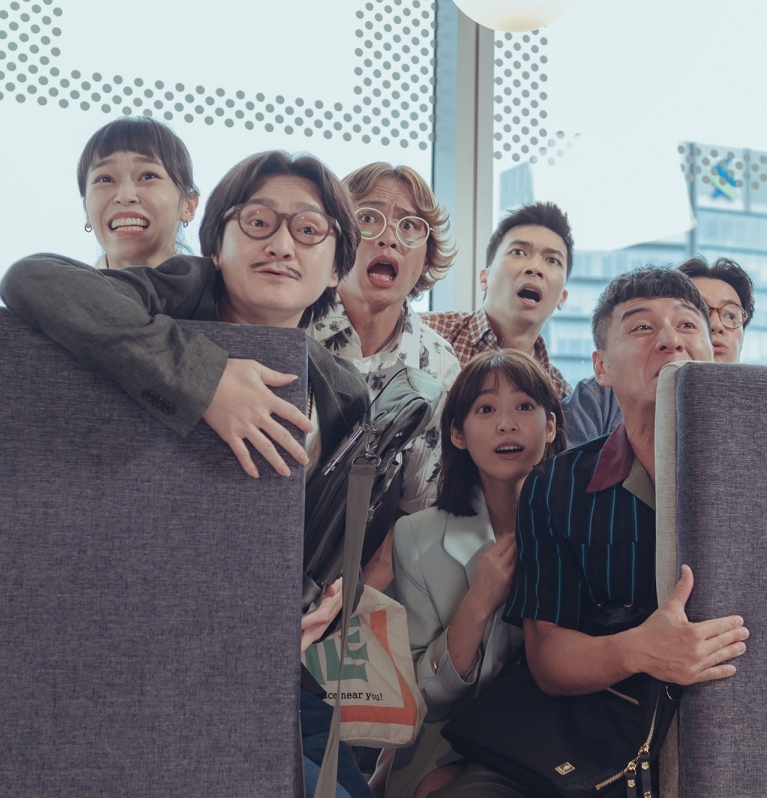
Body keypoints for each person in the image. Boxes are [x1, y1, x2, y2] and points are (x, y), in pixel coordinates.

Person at [1, 150, 373, 798]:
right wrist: (207, 381)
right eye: (257, 221)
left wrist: (329, 598)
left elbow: (322, 529)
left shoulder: (343, 388)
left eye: (309, 229)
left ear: (337, 265)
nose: (282, 244)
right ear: (216, 246)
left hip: (272, 666)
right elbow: (34, 280)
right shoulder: (182, 291)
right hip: (136, 654)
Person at [479, 267, 750, 798]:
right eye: (642, 327)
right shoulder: (555, 486)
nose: (670, 339)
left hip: (739, 729)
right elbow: (547, 658)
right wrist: (640, 650)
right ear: (601, 367)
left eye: (687, 325)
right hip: (598, 742)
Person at [386, 350, 565, 798]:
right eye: (485, 409)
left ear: (550, 426)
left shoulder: (582, 525)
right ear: (457, 433)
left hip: (560, 737)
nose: (506, 424)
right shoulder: (417, 536)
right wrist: (477, 604)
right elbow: (424, 697)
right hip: (453, 739)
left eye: (524, 406)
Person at [309, 163, 461, 589]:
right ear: (338, 237)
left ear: (425, 258)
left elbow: (415, 510)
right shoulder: (291, 324)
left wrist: (347, 600)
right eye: (368, 217)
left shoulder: (439, 364)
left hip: (363, 579)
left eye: (409, 226)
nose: (389, 237)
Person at [562, 256, 756, 446]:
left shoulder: (759, 418)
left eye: (731, 315)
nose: (716, 325)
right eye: (703, 309)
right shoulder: (601, 397)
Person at [423, 202, 574, 399]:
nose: (535, 268)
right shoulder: (424, 334)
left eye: (552, 260)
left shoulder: (562, 398)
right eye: (518, 252)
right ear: (484, 278)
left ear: (562, 297)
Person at [76, 116, 201, 270]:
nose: (125, 196)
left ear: (188, 206)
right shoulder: (63, 285)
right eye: (105, 179)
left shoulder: (217, 285)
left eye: (148, 176)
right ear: (86, 211)